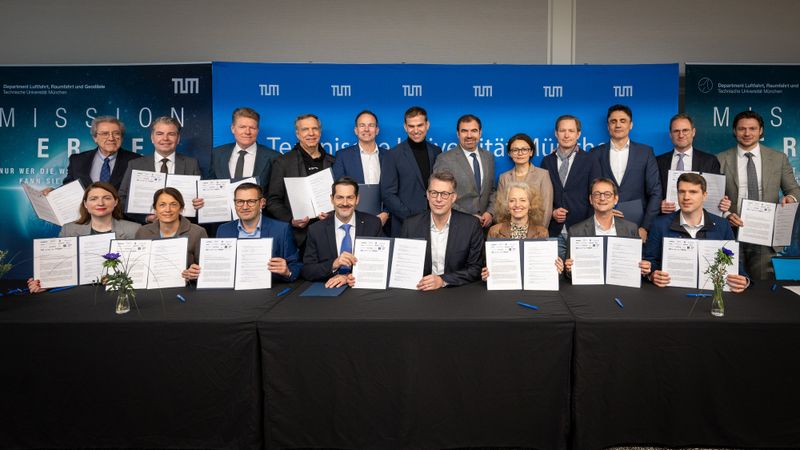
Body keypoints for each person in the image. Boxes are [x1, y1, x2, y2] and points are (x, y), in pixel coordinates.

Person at [717, 110, 800, 280]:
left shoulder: (778, 158)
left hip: (765, 234)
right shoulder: (719, 159)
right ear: (734, 131)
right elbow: (711, 198)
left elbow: (794, 190)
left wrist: (790, 198)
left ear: (760, 130)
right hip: (731, 232)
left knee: (762, 291)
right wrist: (726, 214)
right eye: (742, 129)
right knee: (731, 283)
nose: (747, 133)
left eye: (752, 128)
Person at [26, 182, 141, 293]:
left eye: (107, 198)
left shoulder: (134, 229)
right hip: (79, 294)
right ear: (85, 204)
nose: (100, 203)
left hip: (118, 291)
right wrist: (45, 283)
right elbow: (61, 267)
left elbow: (139, 268)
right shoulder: (69, 230)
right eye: (93, 199)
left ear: (115, 202)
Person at [176, 183, 302, 283]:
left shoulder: (281, 229)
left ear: (262, 203)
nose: (245, 207)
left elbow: (296, 265)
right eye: (240, 201)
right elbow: (217, 266)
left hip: (270, 291)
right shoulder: (223, 230)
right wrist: (198, 272)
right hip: (231, 294)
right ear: (234, 203)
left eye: (251, 201)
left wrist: (287, 271)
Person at [644, 173, 749, 292]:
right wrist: (652, 275)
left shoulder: (722, 225)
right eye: (681, 192)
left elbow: (735, 262)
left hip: (713, 294)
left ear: (704, 195)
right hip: (671, 293)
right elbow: (650, 260)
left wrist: (744, 280)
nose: (686, 197)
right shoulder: (660, 224)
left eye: (693, 192)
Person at [399, 170, 483, 290]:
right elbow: (403, 266)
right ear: (427, 195)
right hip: (421, 292)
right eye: (434, 193)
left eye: (444, 194)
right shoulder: (410, 225)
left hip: (457, 293)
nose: (438, 199)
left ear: (453, 197)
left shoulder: (470, 225)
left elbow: (476, 268)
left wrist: (443, 280)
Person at [591, 104, 661, 240]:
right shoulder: (595, 154)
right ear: (608, 126)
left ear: (631, 125)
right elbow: (590, 191)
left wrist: (645, 227)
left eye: (623, 121)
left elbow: (655, 192)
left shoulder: (645, 153)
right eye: (613, 121)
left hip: (637, 227)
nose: (618, 125)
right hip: (603, 227)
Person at [266, 113, 335, 251]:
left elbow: (341, 197)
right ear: (298, 134)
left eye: (314, 129)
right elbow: (273, 200)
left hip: (328, 233)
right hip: (297, 237)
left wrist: (332, 214)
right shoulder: (283, 162)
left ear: (320, 132)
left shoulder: (333, 162)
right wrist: (291, 219)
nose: (311, 133)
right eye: (305, 129)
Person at [301, 177, 384, 287]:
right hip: (329, 290)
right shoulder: (316, 229)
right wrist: (334, 264)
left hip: (362, 288)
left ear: (357, 199)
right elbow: (307, 271)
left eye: (350, 198)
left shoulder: (373, 224)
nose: (345, 203)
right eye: (339, 197)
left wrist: (348, 276)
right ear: (332, 199)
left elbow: (381, 264)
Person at [118, 116, 203, 223]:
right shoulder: (135, 164)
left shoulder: (192, 164)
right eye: (160, 134)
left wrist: (199, 203)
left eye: (171, 134)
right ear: (152, 138)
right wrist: (146, 218)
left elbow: (200, 198)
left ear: (178, 138)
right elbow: (122, 199)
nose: (165, 138)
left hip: (182, 227)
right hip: (147, 229)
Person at [563, 177, 651, 276]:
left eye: (607, 194)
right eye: (597, 194)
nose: (602, 198)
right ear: (591, 199)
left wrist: (644, 269)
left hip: (621, 288)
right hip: (589, 288)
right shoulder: (575, 231)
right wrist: (569, 270)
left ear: (616, 199)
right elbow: (568, 273)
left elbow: (638, 267)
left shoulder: (631, 229)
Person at [540, 115, 599, 260]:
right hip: (554, 230)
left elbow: (595, 195)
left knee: (580, 277)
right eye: (562, 130)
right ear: (556, 133)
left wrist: (589, 227)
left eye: (571, 131)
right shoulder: (547, 161)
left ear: (578, 134)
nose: (566, 135)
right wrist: (552, 212)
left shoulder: (590, 160)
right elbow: (541, 196)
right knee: (555, 278)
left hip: (582, 231)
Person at [480, 182, 562, 282]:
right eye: (512, 200)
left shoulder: (542, 232)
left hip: (533, 288)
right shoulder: (494, 231)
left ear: (531, 204)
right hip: (505, 287)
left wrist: (555, 268)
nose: (517, 205)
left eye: (523, 200)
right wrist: (487, 275)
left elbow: (544, 267)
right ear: (507, 205)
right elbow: (488, 264)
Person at [380, 106, 442, 236]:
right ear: (405, 127)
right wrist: (411, 218)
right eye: (411, 126)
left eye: (420, 125)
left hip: (436, 223)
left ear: (427, 125)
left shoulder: (437, 151)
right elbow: (388, 194)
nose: (416, 130)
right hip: (405, 224)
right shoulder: (393, 154)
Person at [431, 114, 496, 228]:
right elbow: (440, 195)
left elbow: (492, 190)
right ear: (458, 133)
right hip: (458, 225)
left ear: (480, 133)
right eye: (464, 131)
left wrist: (490, 213)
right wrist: (468, 217)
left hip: (485, 226)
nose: (469, 135)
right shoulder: (445, 159)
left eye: (474, 131)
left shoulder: (488, 157)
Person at [656, 113, 726, 214]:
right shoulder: (658, 161)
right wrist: (659, 205)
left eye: (685, 130)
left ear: (693, 132)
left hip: (700, 221)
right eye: (676, 131)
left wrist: (723, 202)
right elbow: (651, 193)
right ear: (670, 134)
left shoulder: (710, 161)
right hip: (667, 220)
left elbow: (714, 195)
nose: (681, 135)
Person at [331, 110, 389, 227]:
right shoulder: (343, 156)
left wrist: (386, 213)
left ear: (377, 130)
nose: (366, 129)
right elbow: (339, 189)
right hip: (353, 220)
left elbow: (394, 188)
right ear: (356, 130)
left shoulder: (389, 156)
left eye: (371, 125)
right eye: (362, 125)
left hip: (383, 221)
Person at [135, 187, 208, 280]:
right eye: (162, 205)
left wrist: (194, 273)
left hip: (187, 288)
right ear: (155, 209)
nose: (168, 209)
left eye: (173, 204)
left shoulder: (197, 232)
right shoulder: (143, 232)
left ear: (181, 208)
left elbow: (206, 268)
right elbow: (138, 267)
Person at [208, 107, 279, 195]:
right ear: (233, 129)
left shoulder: (274, 157)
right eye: (242, 127)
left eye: (252, 128)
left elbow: (276, 195)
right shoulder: (217, 154)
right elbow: (210, 187)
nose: (247, 132)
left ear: (257, 130)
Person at [59, 116, 142, 192]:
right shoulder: (77, 160)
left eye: (116, 133)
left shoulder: (137, 161)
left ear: (121, 137)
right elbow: (68, 188)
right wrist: (53, 193)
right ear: (95, 138)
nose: (111, 138)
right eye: (105, 134)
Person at [496, 133, 553, 228]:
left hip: (536, 231)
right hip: (510, 233)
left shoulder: (543, 175)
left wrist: (539, 232)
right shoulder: (504, 177)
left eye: (524, 149)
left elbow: (547, 208)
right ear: (509, 153)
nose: (520, 153)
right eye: (515, 150)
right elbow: (501, 209)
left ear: (531, 152)